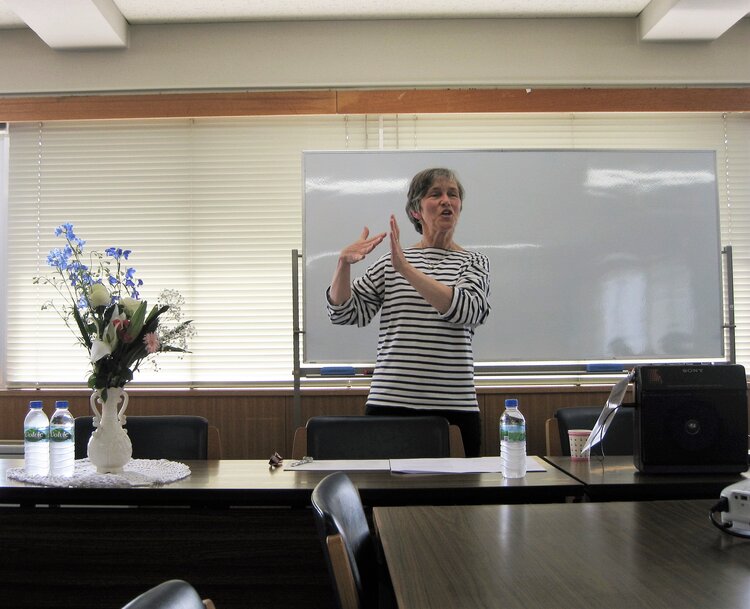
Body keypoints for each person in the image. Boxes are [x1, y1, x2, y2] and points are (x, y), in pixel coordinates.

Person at [326, 167, 491, 457]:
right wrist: (343, 265)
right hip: (390, 403)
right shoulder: (392, 263)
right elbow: (345, 312)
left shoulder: (473, 262)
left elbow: (467, 310)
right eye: (435, 194)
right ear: (416, 211)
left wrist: (406, 270)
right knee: (384, 486)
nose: (446, 200)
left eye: (453, 195)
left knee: (460, 487)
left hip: (455, 406)